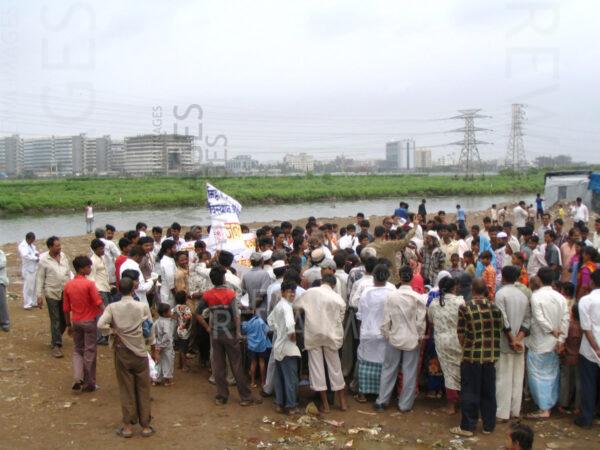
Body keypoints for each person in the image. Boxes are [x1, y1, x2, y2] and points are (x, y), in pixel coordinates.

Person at [97, 277, 156, 438]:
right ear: (133, 289)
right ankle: (145, 426)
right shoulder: (142, 306)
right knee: (143, 388)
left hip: (122, 350)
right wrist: (151, 346)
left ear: (118, 289)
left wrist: (113, 332)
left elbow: (101, 324)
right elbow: (150, 328)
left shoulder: (112, 307)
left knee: (126, 388)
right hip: (140, 350)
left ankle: (128, 426)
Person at [195, 266, 260, 406]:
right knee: (236, 365)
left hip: (215, 334)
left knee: (218, 366)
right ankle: (245, 397)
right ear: (223, 278)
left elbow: (198, 313)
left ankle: (222, 396)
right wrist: (238, 332)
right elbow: (236, 316)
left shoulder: (207, 295)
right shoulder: (230, 294)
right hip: (229, 333)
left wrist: (207, 327)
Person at [450, 278, 503, 437]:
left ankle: (468, 426)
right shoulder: (495, 308)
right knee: (489, 392)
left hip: (471, 356)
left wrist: (467, 346)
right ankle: (488, 425)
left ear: (473, 290)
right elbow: (498, 330)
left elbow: (461, 333)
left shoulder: (465, 308)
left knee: (470, 391)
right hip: (490, 357)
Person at [375, 266, 427, 413]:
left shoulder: (391, 297)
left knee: (389, 369)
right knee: (409, 372)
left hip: (394, 337)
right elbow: (420, 322)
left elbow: (386, 321)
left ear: (399, 277)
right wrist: (420, 337)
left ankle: (382, 401)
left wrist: (387, 335)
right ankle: (405, 405)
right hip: (412, 338)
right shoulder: (418, 298)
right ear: (411, 278)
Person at [294, 274, 347, 412]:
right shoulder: (339, 299)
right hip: (331, 336)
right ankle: (342, 402)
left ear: (322, 281)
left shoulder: (310, 293)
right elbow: (340, 319)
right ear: (334, 285)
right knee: (335, 368)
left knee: (317, 369)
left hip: (313, 334)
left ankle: (326, 405)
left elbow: (296, 307)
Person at [525, 267, 569, 419]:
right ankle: (549, 404)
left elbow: (538, 318)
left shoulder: (536, 296)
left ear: (539, 278)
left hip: (540, 341)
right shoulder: (560, 297)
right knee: (552, 374)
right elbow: (565, 319)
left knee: (536, 375)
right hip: (554, 342)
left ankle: (544, 407)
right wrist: (561, 338)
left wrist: (551, 330)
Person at [494, 265, 531, 422]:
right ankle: (515, 411)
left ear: (503, 277)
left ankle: (502, 413)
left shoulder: (500, 294)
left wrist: (511, 339)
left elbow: (502, 319)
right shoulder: (523, 295)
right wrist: (518, 338)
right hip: (519, 342)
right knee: (517, 378)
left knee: (503, 378)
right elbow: (528, 320)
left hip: (505, 343)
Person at [63, 255, 104, 392]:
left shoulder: (68, 285)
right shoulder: (89, 284)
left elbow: (66, 308)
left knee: (77, 350)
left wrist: (68, 325)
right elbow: (98, 303)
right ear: (81, 269)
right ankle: (89, 382)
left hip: (76, 321)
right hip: (89, 321)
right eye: (88, 267)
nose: (90, 268)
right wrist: (108, 316)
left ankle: (77, 377)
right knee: (90, 351)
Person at [355, 264, 395, 403]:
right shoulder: (392, 290)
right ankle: (382, 393)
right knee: (385, 362)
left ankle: (362, 394)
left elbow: (359, 315)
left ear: (373, 276)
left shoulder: (367, 292)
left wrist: (361, 332)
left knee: (365, 362)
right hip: (385, 332)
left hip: (368, 332)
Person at [428, 275, 466, 415]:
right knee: (461, 370)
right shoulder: (460, 302)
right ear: (454, 287)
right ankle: (461, 401)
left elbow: (431, 320)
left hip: (442, 341)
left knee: (449, 372)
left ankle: (451, 405)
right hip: (459, 340)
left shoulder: (434, 303)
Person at [267, 280, 301, 415]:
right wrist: (293, 337)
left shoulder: (279, 305)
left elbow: (270, 321)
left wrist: (278, 331)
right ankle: (291, 406)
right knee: (290, 379)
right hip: (288, 348)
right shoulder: (286, 307)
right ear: (282, 292)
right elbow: (290, 327)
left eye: (293, 291)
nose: (292, 294)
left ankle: (280, 404)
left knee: (279, 378)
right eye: (289, 291)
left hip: (278, 346)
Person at [36, 236, 72, 358]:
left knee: (64, 319)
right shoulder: (43, 260)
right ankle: (56, 345)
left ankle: (55, 338)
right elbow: (40, 278)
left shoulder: (63, 256)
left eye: (59, 245)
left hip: (65, 291)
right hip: (51, 292)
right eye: (57, 246)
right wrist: (39, 295)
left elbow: (68, 273)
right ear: (50, 247)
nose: (59, 247)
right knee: (55, 318)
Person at [574, 270, 600, 429]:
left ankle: (586, 417)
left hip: (590, 348)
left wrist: (596, 348)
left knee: (588, 383)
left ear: (592, 282)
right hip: (592, 347)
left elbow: (586, 327)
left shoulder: (586, 300)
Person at [558, 282, 581, 415]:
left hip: (567, 356)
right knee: (579, 382)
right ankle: (577, 406)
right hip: (579, 356)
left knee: (566, 380)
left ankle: (564, 404)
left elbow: (563, 337)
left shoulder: (569, 325)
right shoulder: (584, 327)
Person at [242, 311, 272, 388]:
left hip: (251, 346)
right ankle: (263, 382)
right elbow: (268, 330)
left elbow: (244, 332)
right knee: (262, 363)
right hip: (261, 345)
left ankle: (252, 382)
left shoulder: (246, 323)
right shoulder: (260, 320)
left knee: (253, 363)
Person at [243, 252, 273, 319]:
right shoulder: (264, 274)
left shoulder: (246, 276)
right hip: (262, 313)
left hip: (252, 312)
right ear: (262, 261)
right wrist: (254, 307)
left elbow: (243, 293)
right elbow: (262, 294)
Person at [154, 303, 175, 386]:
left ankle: (156, 379)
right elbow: (167, 335)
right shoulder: (166, 323)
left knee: (159, 362)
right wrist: (162, 345)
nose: (171, 312)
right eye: (169, 311)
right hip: (167, 345)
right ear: (164, 313)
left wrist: (158, 346)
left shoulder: (158, 321)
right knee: (168, 361)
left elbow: (154, 331)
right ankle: (167, 380)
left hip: (158, 343)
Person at [172, 291, 193, 372]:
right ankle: (184, 366)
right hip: (185, 331)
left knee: (181, 348)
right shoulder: (186, 308)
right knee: (184, 349)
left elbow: (172, 314)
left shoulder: (177, 307)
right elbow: (188, 317)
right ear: (185, 298)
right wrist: (186, 324)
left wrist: (178, 319)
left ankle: (180, 365)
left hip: (179, 329)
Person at [18, 232, 39, 310]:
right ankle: (27, 304)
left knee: (34, 286)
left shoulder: (31, 245)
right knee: (28, 287)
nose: (32, 241)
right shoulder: (22, 246)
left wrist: (37, 254)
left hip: (34, 268)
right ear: (27, 239)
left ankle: (34, 302)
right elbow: (25, 255)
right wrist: (35, 258)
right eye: (31, 240)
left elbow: (35, 252)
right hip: (27, 269)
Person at [157, 239, 177, 306]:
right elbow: (170, 280)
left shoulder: (169, 259)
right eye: (174, 248)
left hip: (168, 293)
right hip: (169, 294)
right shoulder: (166, 262)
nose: (176, 249)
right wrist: (176, 295)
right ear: (168, 250)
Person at [0, 249, 9, 332]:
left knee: (2, 303)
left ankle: (5, 323)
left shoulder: (1, 253)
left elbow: (2, 264)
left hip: (0, 282)